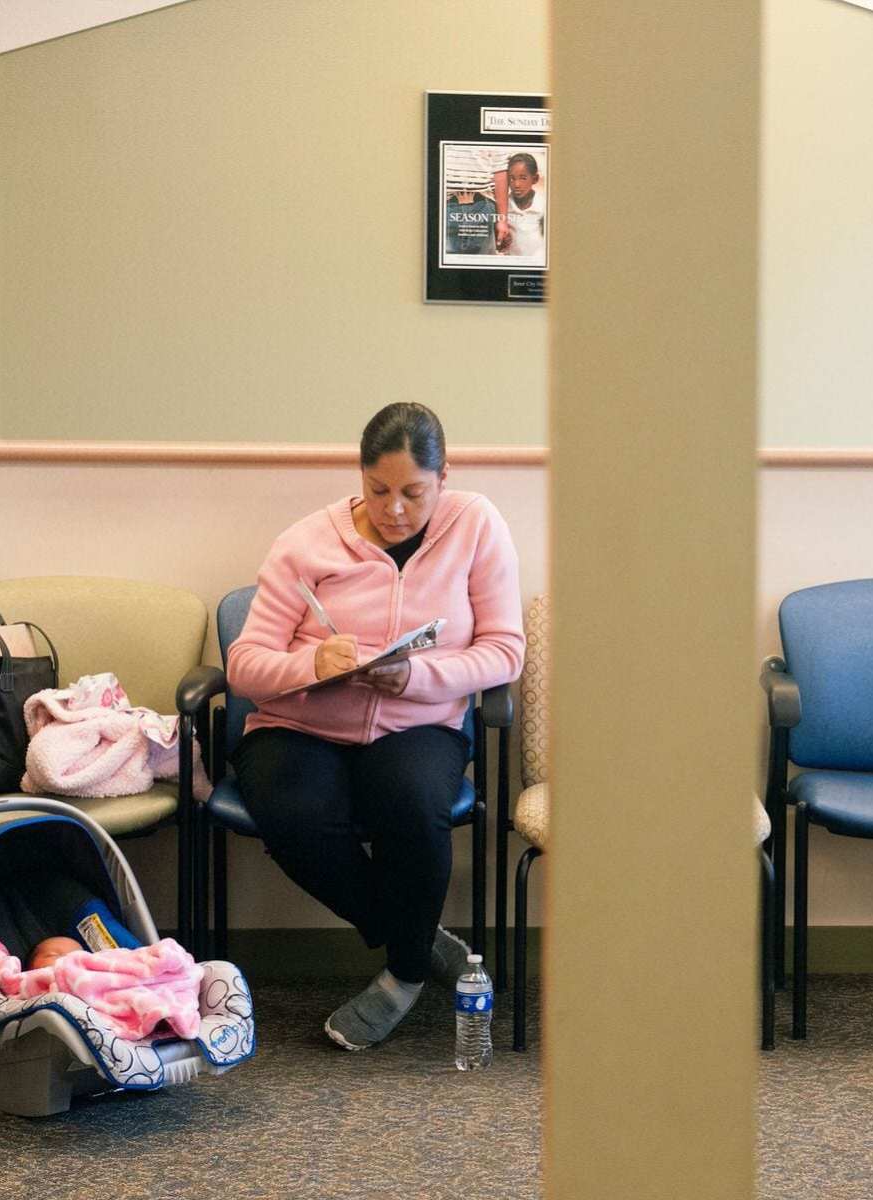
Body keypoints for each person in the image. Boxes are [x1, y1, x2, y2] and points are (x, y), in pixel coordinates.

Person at [227, 402, 524, 1050]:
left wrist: (413, 677)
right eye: (378, 491)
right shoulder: (305, 543)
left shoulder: (475, 526)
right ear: (359, 478)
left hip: (418, 722)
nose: (394, 510)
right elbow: (243, 665)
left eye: (413, 493)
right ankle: (414, 939)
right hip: (299, 725)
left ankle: (401, 975)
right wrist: (311, 663)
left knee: (414, 805)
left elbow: (505, 651)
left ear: (444, 477)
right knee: (292, 815)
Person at [499, 151, 545, 261]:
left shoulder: (543, 204)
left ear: (535, 179)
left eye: (523, 178)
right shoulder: (504, 207)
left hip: (537, 262)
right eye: (512, 178)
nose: (517, 184)